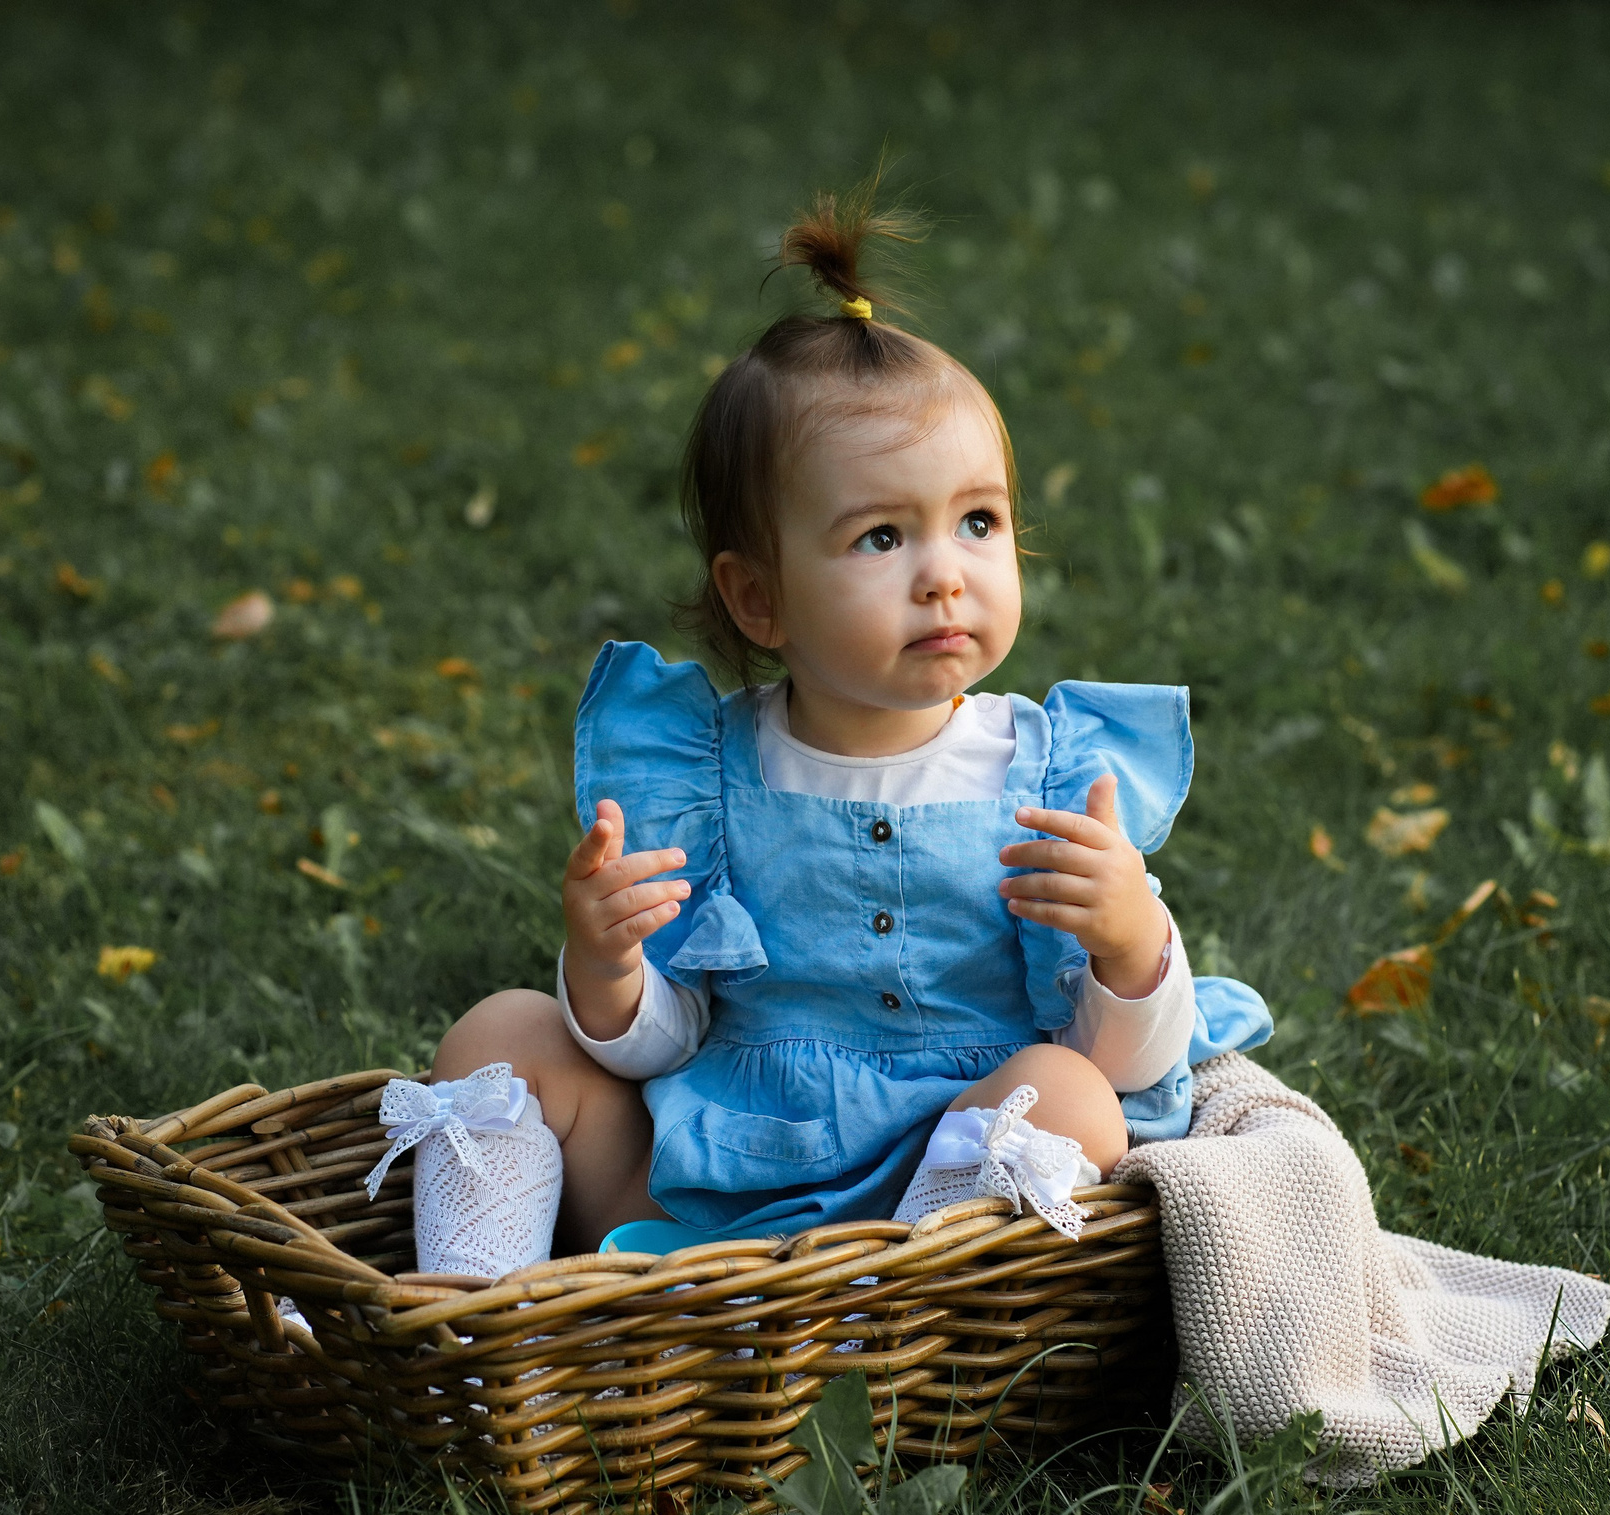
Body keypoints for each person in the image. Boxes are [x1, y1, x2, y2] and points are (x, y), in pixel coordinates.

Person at [366, 189, 1270, 1279]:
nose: (945, 572)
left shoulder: (1052, 777)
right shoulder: (708, 777)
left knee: (1069, 1096)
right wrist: (606, 974)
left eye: (978, 522)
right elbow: (669, 1037)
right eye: (881, 536)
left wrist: (1130, 952)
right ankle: (469, 1321)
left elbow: (1128, 1068)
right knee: (502, 1032)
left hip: (939, 1188)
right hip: (710, 1181)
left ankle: (874, 1327)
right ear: (759, 602)